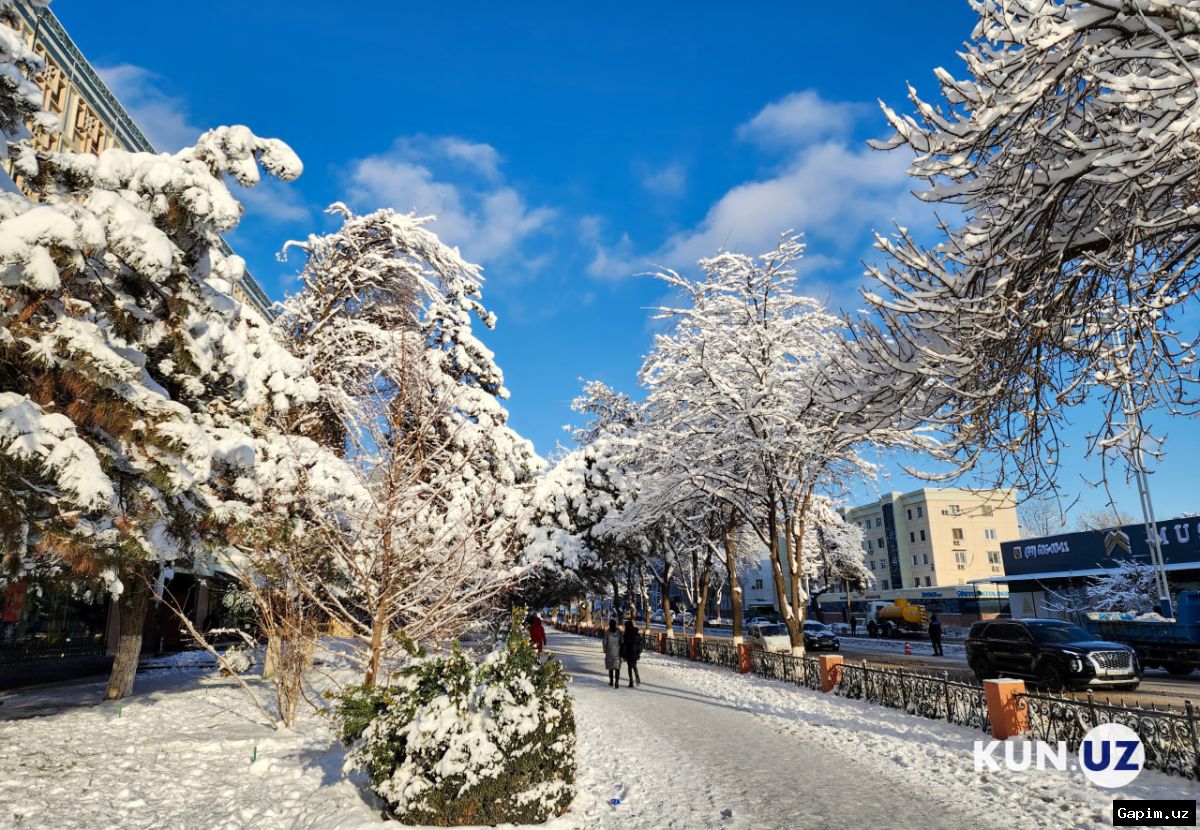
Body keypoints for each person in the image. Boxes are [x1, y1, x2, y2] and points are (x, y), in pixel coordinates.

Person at [620, 619, 642, 687]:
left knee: (629, 667)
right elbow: (640, 643)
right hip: (635, 652)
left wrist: (622, 654)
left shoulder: (626, 635)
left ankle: (631, 682)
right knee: (634, 665)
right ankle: (637, 675)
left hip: (628, 653)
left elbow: (623, 645)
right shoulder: (636, 633)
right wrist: (639, 651)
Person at [602, 619, 622, 688]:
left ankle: (611, 681)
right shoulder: (619, 632)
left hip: (609, 651)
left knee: (611, 668)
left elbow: (604, 642)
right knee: (617, 668)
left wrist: (605, 649)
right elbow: (622, 641)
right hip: (617, 652)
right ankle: (616, 682)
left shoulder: (607, 632)